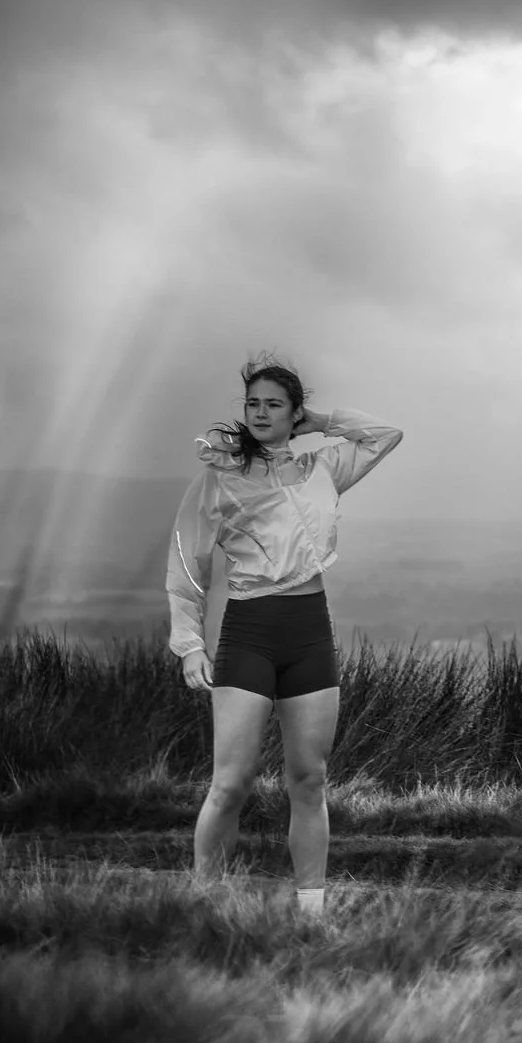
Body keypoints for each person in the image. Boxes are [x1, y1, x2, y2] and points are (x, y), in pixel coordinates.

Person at [166, 354, 403, 919]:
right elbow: (185, 565)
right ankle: (206, 904)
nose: (261, 412)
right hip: (249, 633)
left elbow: (386, 435)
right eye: (254, 404)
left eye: (275, 404)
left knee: (310, 779)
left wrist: (320, 420)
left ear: (293, 413)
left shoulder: (323, 469)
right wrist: (189, 644)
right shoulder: (218, 478)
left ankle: (311, 916)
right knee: (231, 782)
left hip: (310, 634)